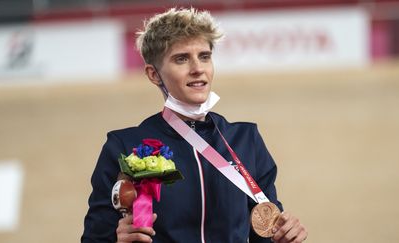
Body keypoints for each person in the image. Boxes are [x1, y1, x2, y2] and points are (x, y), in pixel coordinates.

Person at [82, 7, 308, 243]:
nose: (197, 68)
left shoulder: (245, 140)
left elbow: (265, 234)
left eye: (204, 56)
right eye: (181, 59)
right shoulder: (126, 147)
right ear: (154, 74)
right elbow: (95, 238)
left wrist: (283, 236)